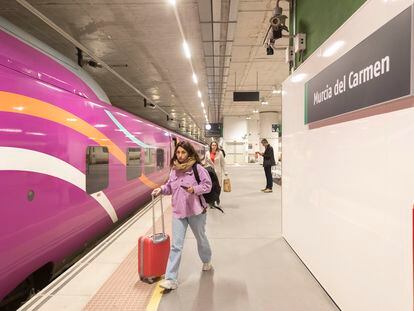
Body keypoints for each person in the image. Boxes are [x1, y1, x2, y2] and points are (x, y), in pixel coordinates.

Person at [152, 141, 213, 290]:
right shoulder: (174, 170)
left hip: (195, 211)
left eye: (183, 153)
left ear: (189, 153)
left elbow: (207, 185)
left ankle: (207, 259)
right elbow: (170, 187)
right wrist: (161, 189)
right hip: (178, 212)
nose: (180, 155)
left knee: (201, 238)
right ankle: (171, 279)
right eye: (178, 153)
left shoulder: (197, 168)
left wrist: (195, 189)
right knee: (176, 246)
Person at [204, 141, 227, 207]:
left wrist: (225, 171)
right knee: (211, 187)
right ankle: (212, 202)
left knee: (218, 187)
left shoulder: (220, 153)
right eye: (212, 145)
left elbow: (223, 163)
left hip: (218, 172)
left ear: (217, 146)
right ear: (210, 146)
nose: (213, 146)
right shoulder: (207, 153)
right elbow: (205, 163)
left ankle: (217, 198)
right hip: (210, 173)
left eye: (215, 145)